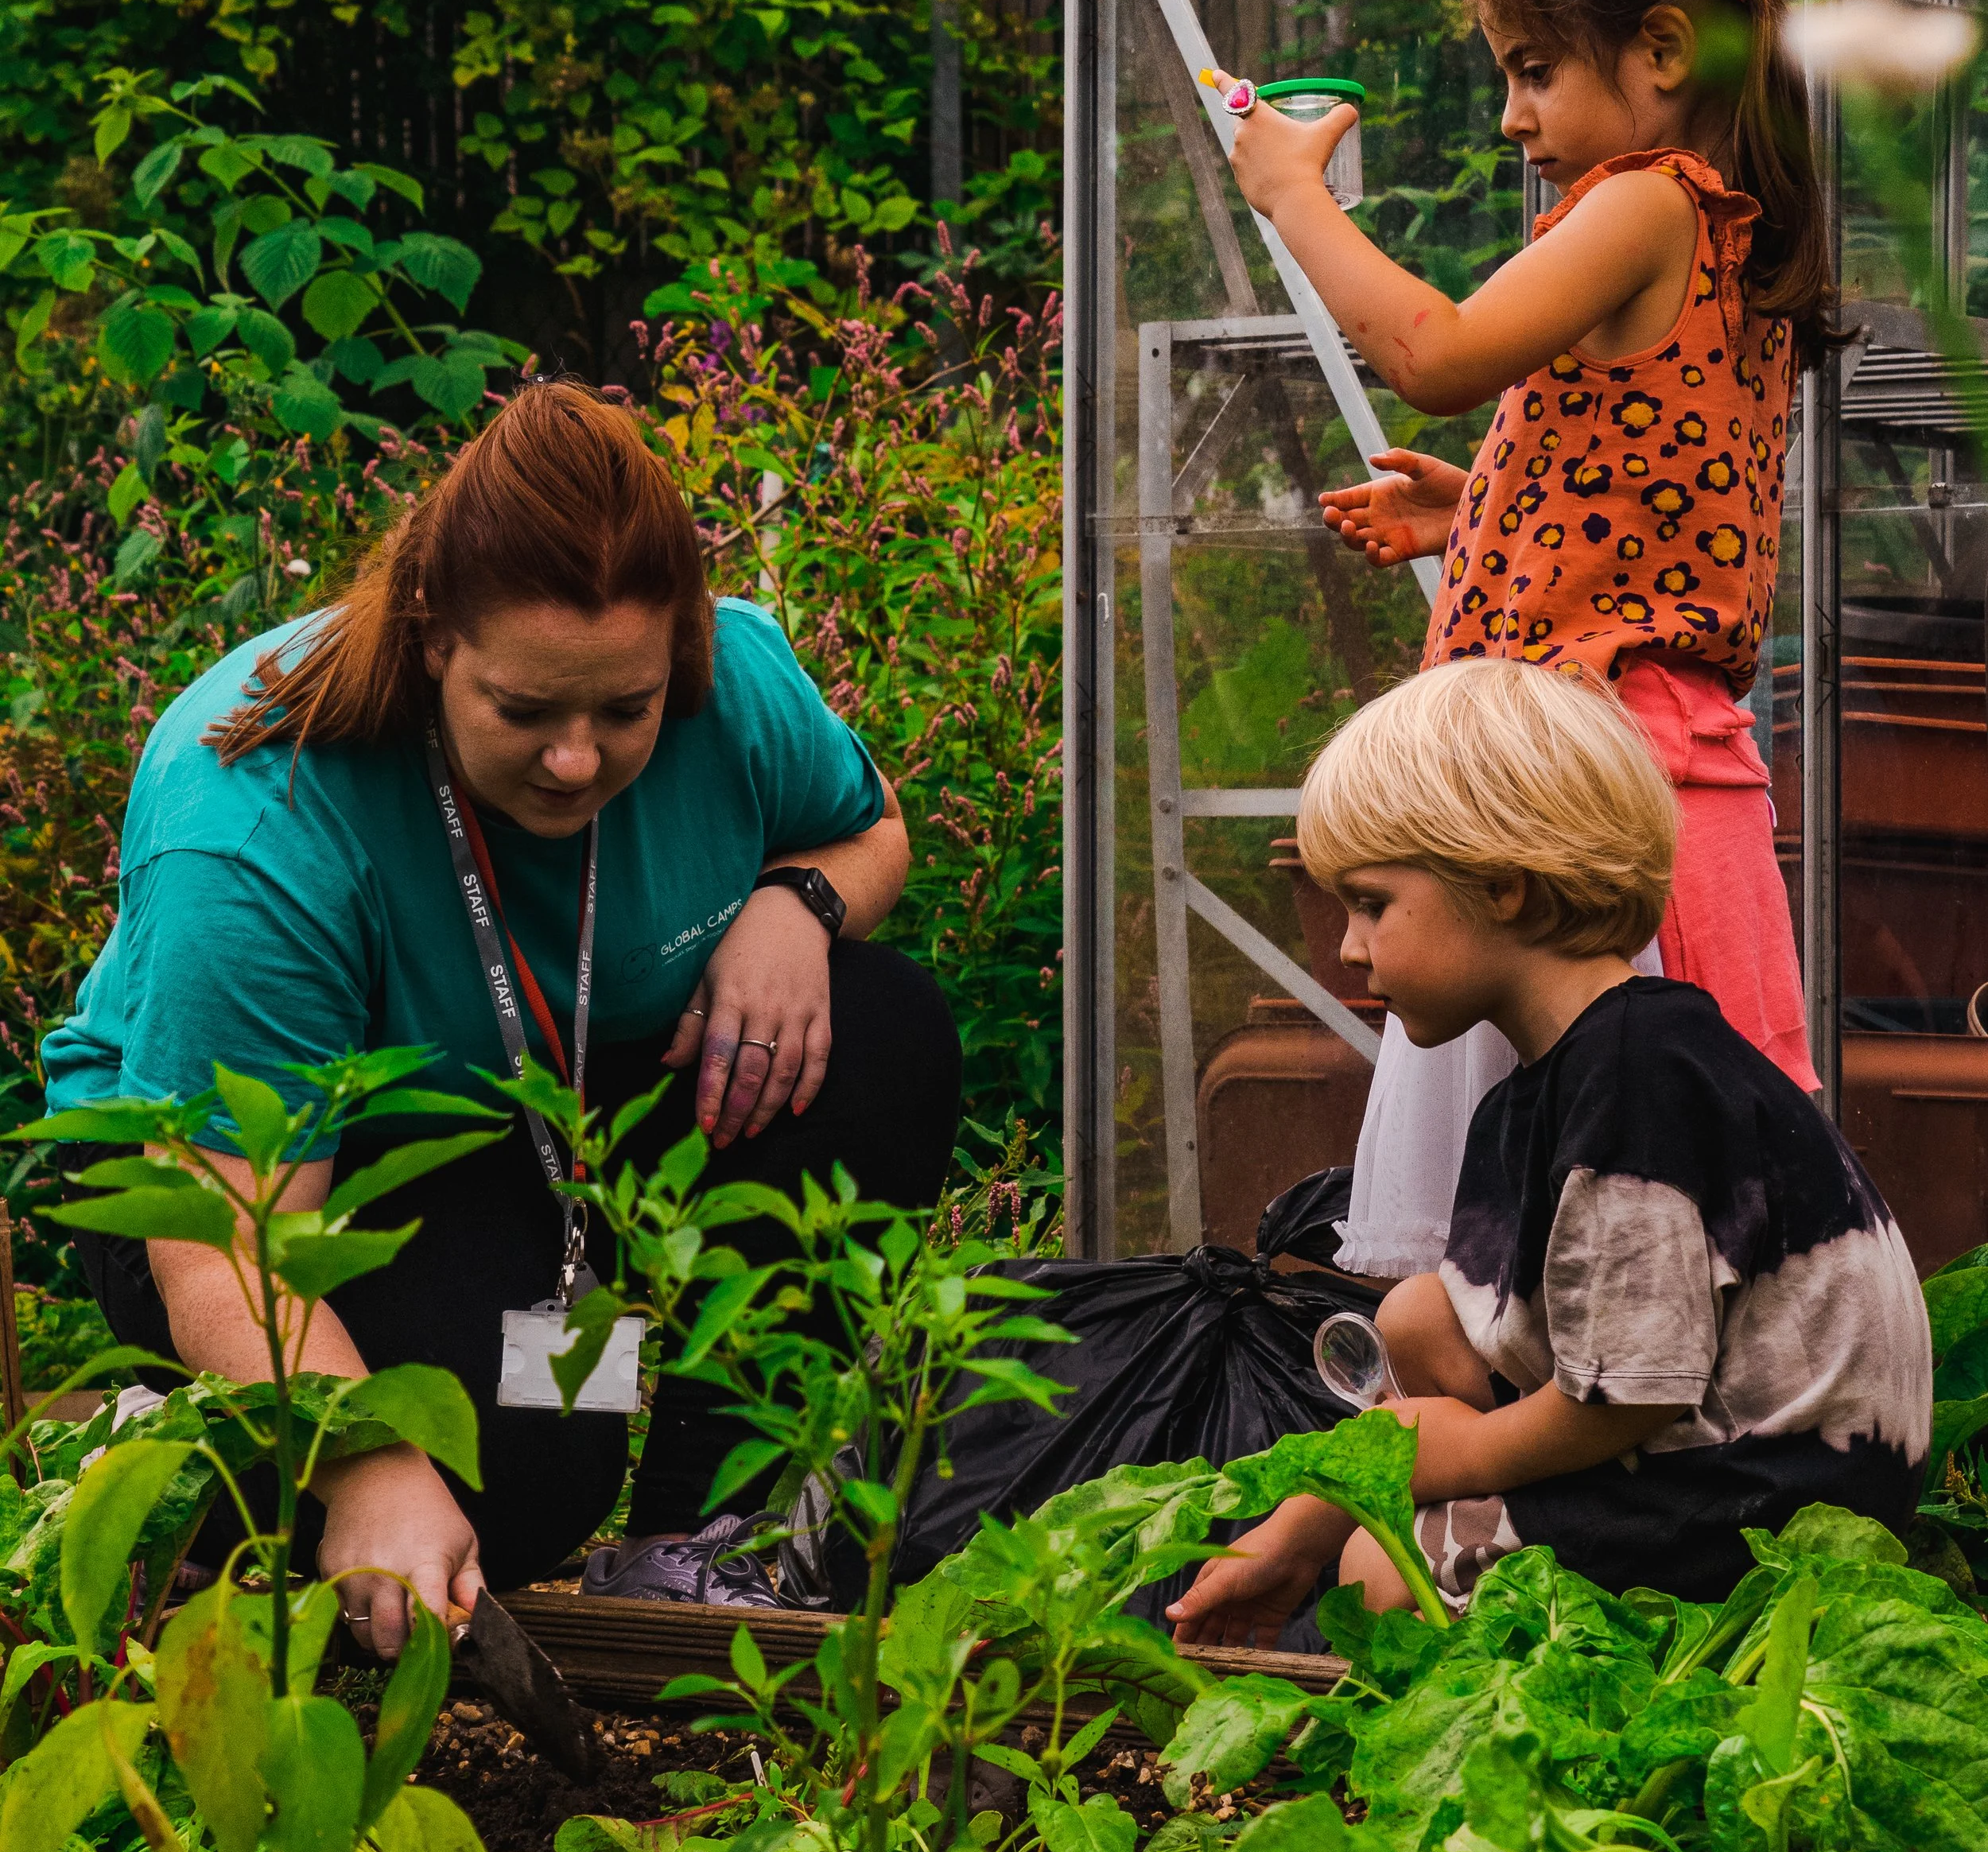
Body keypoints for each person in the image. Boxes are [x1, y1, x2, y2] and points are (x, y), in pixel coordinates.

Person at [41, 380, 961, 1652]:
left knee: (881, 1034)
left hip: (531, 1121)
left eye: (625, 709)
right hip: (250, 1183)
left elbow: (871, 829)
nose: (578, 759)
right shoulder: (258, 813)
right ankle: (166, 1444)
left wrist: (798, 905)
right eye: (524, 710)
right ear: (431, 641)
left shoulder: (731, 682)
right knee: (505, 1495)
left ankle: (700, 1540)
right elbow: (224, 1237)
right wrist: (367, 1466)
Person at [1206, 0, 1828, 1281]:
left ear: (1663, 48)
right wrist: (1472, 505)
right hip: (1657, 752)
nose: (1512, 115)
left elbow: (1433, 356)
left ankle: (1463, 1465)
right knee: (1666, 1211)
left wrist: (1292, 194)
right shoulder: (1734, 240)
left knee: (1522, 1241)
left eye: (1534, 67)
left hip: (1569, 779)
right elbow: (1654, 493)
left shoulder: (1648, 201)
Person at [1167, 662, 1932, 1639]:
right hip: (1716, 1451)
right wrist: (1331, 1500)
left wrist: (1464, 1453)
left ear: (1503, 889)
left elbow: (1627, 1397)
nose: (1348, 949)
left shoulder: (1640, 1081)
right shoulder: (1569, 1074)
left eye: (1371, 904)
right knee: (1416, 1315)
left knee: (1380, 1570)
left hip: (1777, 1500)